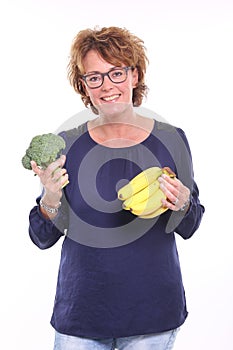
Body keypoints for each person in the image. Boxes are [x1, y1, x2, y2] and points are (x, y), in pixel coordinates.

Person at [29, 26, 205, 350]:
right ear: (84, 85)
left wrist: (182, 204)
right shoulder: (67, 144)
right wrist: (51, 197)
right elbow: (42, 237)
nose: (107, 86)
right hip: (80, 315)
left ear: (134, 76)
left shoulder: (171, 139)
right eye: (94, 77)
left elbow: (191, 225)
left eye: (116, 73)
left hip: (152, 315)